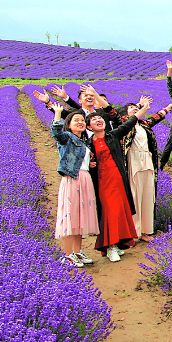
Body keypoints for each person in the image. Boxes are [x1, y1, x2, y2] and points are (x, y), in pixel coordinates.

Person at [86, 97, 153, 262]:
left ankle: (118, 243)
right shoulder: (88, 143)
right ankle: (110, 247)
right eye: (93, 120)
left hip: (118, 180)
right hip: (103, 182)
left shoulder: (112, 135)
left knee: (120, 212)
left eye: (99, 118)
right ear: (89, 127)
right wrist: (90, 163)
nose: (98, 120)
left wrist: (143, 108)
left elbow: (130, 121)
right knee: (109, 213)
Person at [50, 104, 98, 268]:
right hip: (72, 179)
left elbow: (80, 160)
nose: (80, 122)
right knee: (69, 217)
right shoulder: (67, 138)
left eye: (82, 120)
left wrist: (89, 163)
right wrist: (57, 113)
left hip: (84, 178)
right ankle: (67, 254)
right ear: (68, 125)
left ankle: (78, 251)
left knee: (79, 219)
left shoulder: (82, 141)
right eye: (75, 120)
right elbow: (56, 134)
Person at [118, 99, 172, 240]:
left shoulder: (144, 125)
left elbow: (157, 117)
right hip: (133, 161)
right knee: (134, 195)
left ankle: (146, 231)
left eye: (136, 107)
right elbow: (111, 112)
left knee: (148, 195)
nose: (135, 109)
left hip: (147, 160)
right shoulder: (124, 125)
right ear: (125, 113)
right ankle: (133, 232)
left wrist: (168, 107)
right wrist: (141, 106)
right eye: (131, 108)